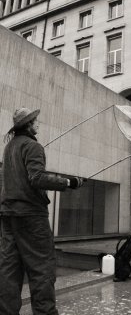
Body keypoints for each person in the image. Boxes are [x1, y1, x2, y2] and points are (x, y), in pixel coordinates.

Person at [0, 107, 83, 315]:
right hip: (31, 217)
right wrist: (69, 182)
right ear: (29, 124)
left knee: (9, 271)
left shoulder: (9, 147)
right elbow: (37, 178)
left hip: (9, 217)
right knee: (42, 270)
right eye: (36, 121)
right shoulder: (33, 146)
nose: (39, 123)